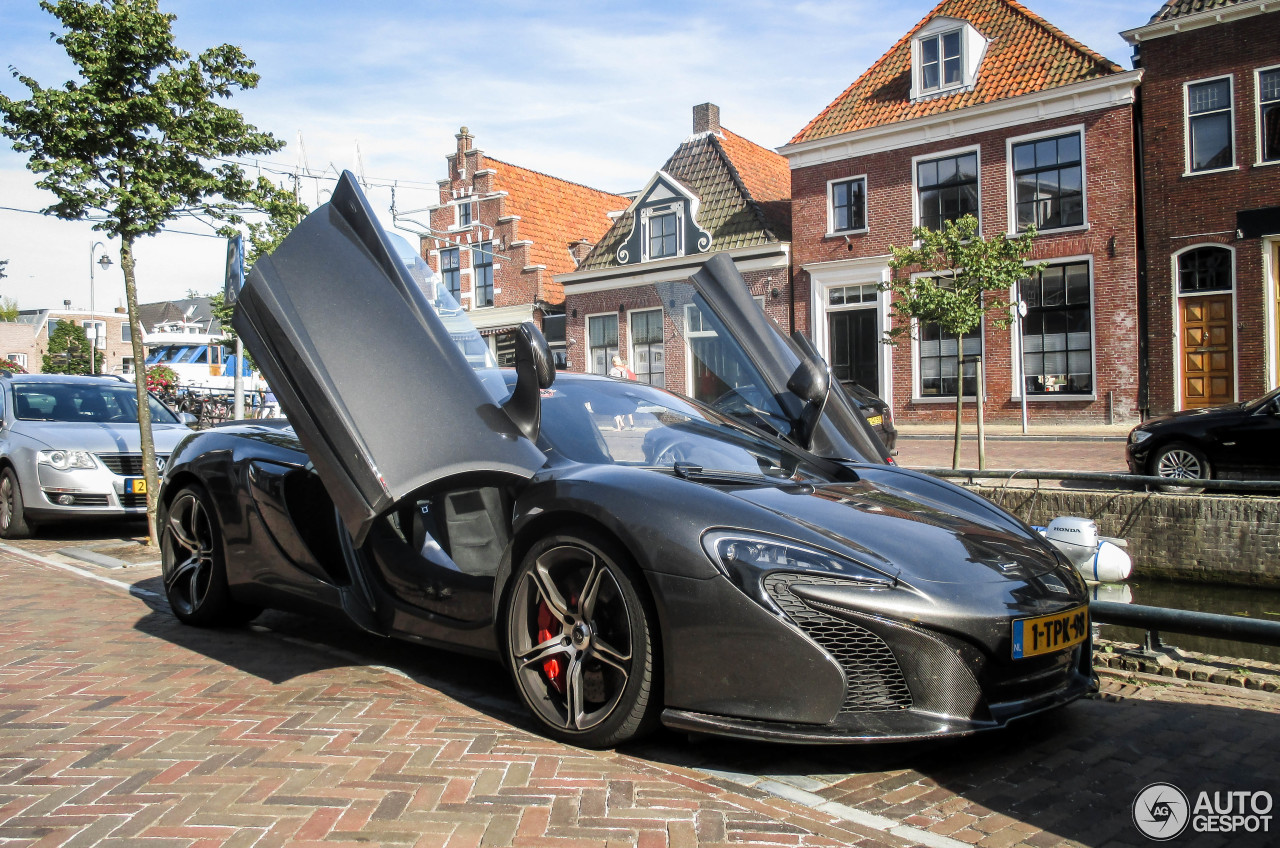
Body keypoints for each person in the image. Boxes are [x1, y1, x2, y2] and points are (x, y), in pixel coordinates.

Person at [607, 355, 636, 430]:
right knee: (621, 408)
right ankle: (622, 424)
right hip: (623, 391)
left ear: (614, 362)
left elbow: (609, 381)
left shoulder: (612, 370)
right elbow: (627, 381)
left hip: (615, 392)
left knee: (615, 409)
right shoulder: (625, 371)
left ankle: (619, 426)